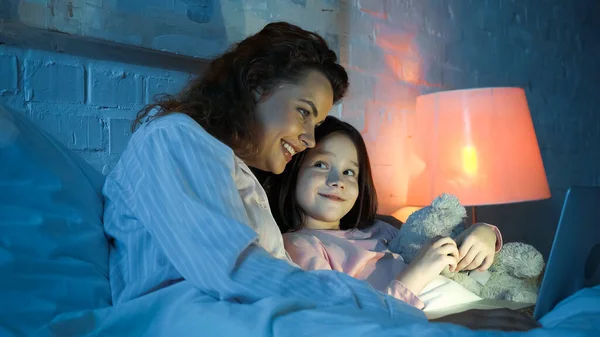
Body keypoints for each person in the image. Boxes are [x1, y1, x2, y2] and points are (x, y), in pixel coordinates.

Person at [102, 21, 538, 332]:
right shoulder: (175, 139)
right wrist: (411, 318)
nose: (309, 139)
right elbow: (237, 273)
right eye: (304, 113)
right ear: (257, 85)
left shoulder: (228, 169)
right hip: (194, 317)